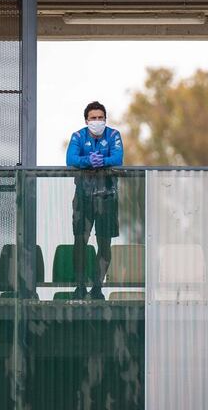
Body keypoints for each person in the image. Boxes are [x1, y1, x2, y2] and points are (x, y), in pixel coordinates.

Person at [65, 101, 124, 300]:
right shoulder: (78, 136)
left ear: (105, 119)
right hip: (83, 196)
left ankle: (97, 287)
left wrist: (104, 161)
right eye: (93, 118)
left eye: (100, 118)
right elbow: (71, 159)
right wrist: (88, 161)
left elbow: (118, 157)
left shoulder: (114, 135)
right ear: (86, 120)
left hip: (107, 197)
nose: (97, 121)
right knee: (80, 242)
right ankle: (80, 286)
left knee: (104, 243)